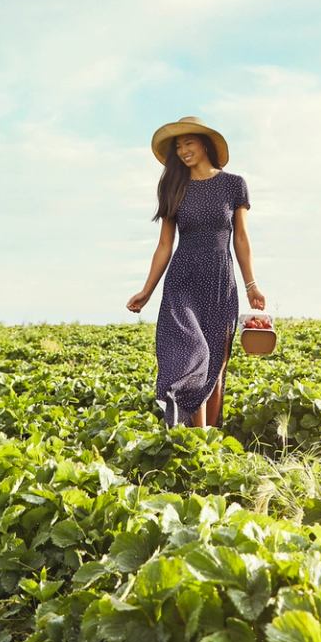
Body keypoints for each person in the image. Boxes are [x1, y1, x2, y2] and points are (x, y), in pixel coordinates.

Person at [127, 116, 265, 428]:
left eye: (188, 143)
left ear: (204, 144)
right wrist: (146, 290)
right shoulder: (173, 188)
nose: (184, 150)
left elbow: (241, 238)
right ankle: (197, 436)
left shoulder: (233, 185)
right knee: (195, 355)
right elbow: (164, 245)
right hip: (183, 281)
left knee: (216, 363)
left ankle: (209, 441)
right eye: (178, 146)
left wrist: (251, 285)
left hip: (220, 281)